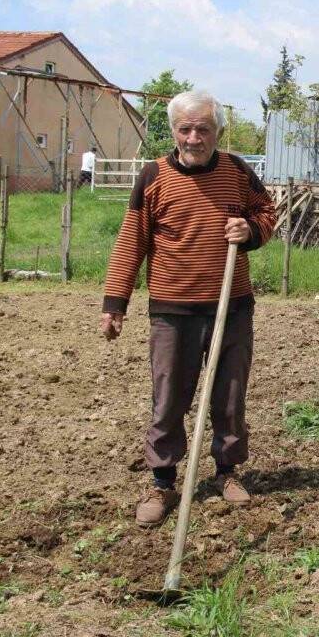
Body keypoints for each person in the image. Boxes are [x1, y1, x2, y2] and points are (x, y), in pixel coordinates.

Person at [100, 90, 276, 527]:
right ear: (174, 131)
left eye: (204, 129)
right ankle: (161, 482)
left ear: (217, 132)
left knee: (229, 397)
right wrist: (115, 302)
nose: (194, 137)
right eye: (186, 129)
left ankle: (227, 473)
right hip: (172, 311)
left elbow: (267, 211)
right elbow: (131, 241)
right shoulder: (153, 177)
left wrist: (250, 229)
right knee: (168, 399)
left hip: (230, 307)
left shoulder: (237, 172)